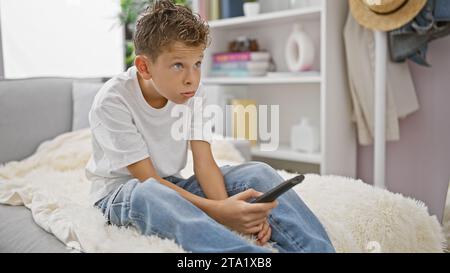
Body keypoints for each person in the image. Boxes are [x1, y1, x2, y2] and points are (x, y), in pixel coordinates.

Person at [85, 0, 334, 253]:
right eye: (178, 65)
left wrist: (232, 210)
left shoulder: (193, 92)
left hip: (171, 185)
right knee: (149, 193)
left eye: (198, 64)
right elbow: (146, 178)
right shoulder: (112, 100)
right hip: (122, 195)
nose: (192, 78)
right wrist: (219, 212)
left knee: (258, 173)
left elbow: (204, 162)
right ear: (144, 67)